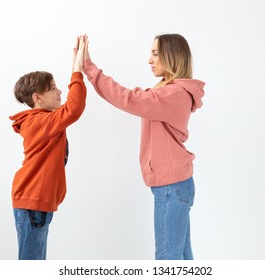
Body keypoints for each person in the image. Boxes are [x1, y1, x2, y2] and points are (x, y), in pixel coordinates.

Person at [82, 34, 205, 260]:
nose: (150, 59)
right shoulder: (170, 92)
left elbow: (128, 98)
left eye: (156, 54)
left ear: (173, 56)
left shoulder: (174, 94)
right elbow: (137, 98)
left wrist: (90, 69)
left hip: (171, 186)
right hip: (176, 184)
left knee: (168, 259)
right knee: (181, 258)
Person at [9, 36, 87, 260]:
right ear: (37, 98)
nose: (59, 92)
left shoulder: (45, 120)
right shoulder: (39, 122)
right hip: (32, 202)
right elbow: (74, 109)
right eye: (52, 88)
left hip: (35, 202)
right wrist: (76, 71)